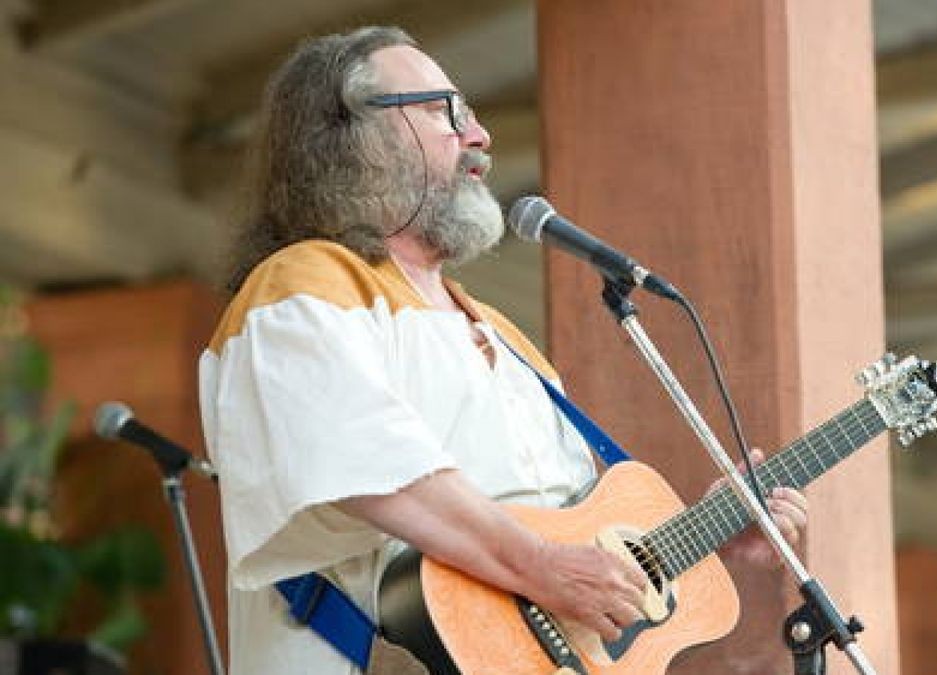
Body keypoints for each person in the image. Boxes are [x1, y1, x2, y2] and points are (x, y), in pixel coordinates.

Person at [199, 26, 809, 675]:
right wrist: (542, 567)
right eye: (443, 110)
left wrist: (703, 533)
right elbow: (370, 466)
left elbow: (573, 539)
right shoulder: (303, 282)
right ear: (349, 136)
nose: (479, 135)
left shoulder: (506, 339)